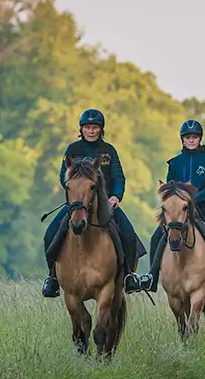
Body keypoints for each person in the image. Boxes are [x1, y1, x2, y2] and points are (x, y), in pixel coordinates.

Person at [41, 108, 146, 298]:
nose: (91, 131)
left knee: (129, 235)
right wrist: (76, 192)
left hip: (105, 204)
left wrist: (116, 196)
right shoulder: (72, 149)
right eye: (87, 127)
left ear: (101, 129)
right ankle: (53, 278)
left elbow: (118, 176)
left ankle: (129, 275)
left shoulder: (109, 151)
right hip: (77, 203)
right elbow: (63, 176)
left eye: (95, 127)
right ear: (81, 129)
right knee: (50, 235)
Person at [138, 120, 205, 293]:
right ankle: (152, 276)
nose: (191, 140)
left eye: (195, 137)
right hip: (178, 212)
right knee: (156, 237)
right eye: (188, 137)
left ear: (199, 138)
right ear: (182, 139)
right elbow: (170, 188)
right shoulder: (175, 163)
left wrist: (195, 198)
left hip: (203, 209)